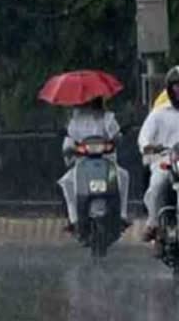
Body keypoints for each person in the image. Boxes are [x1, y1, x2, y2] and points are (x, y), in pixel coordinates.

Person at [58, 97, 130, 233]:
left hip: (107, 161)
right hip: (82, 163)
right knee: (67, 181)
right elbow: (68, 142)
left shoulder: (108, 118)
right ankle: (74, 219)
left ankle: (122, 215)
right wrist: (69, 150)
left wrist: (116, 138)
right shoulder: (75, 121)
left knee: (123, 176)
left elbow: (116, 135)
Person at [139, 66, 179, 242]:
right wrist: (149, 146)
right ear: (169, 88)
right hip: (165, 160)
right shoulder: (159, 113)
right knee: (156, 185)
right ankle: (153, 223)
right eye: (176, 85)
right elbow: (144, 136)